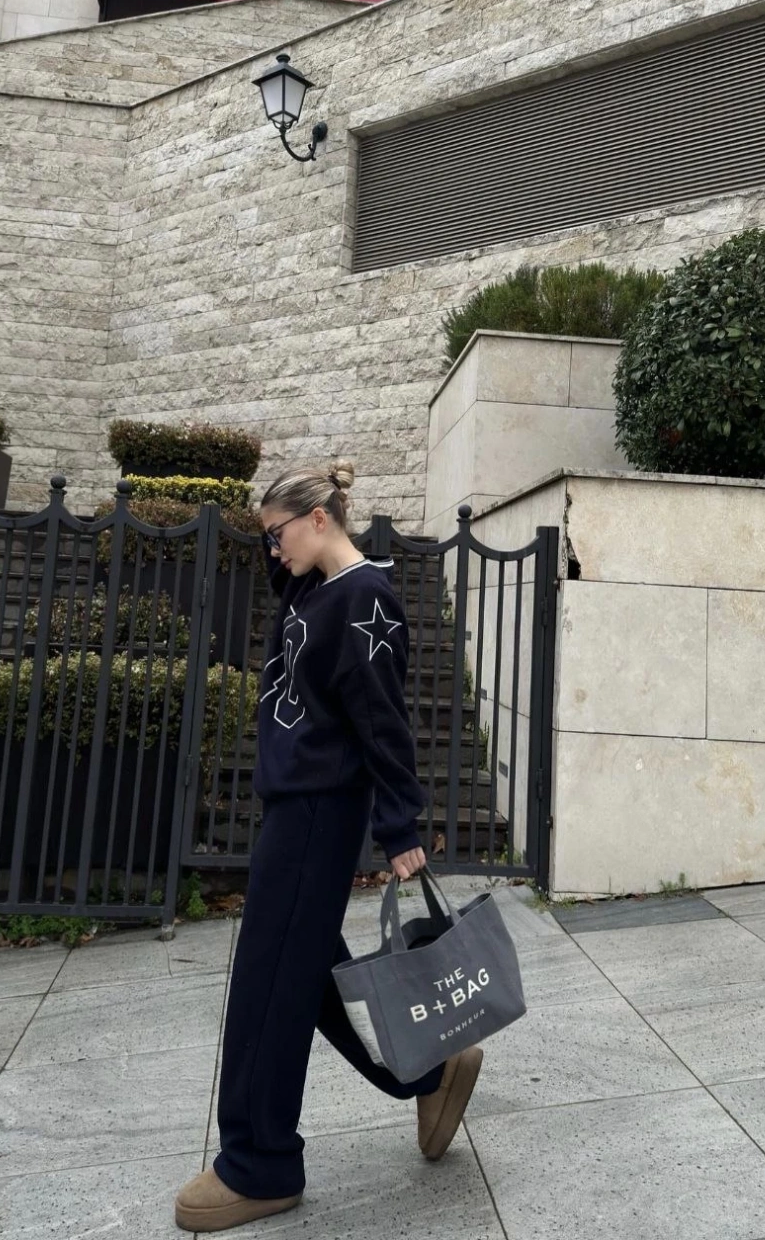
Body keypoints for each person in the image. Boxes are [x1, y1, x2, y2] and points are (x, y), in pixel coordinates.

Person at [174, 460, 483, 1233]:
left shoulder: (364, 596)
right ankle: (431, 1068)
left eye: (278, 534)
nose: (272, 550)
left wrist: (401, 826)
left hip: (319, 811)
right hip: (295, 808)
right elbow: (284, 567)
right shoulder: (311, 589)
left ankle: (260, 1162)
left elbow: (383, 717)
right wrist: (285, 527)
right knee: (305, 979)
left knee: (267, 982)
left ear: (319, 518)